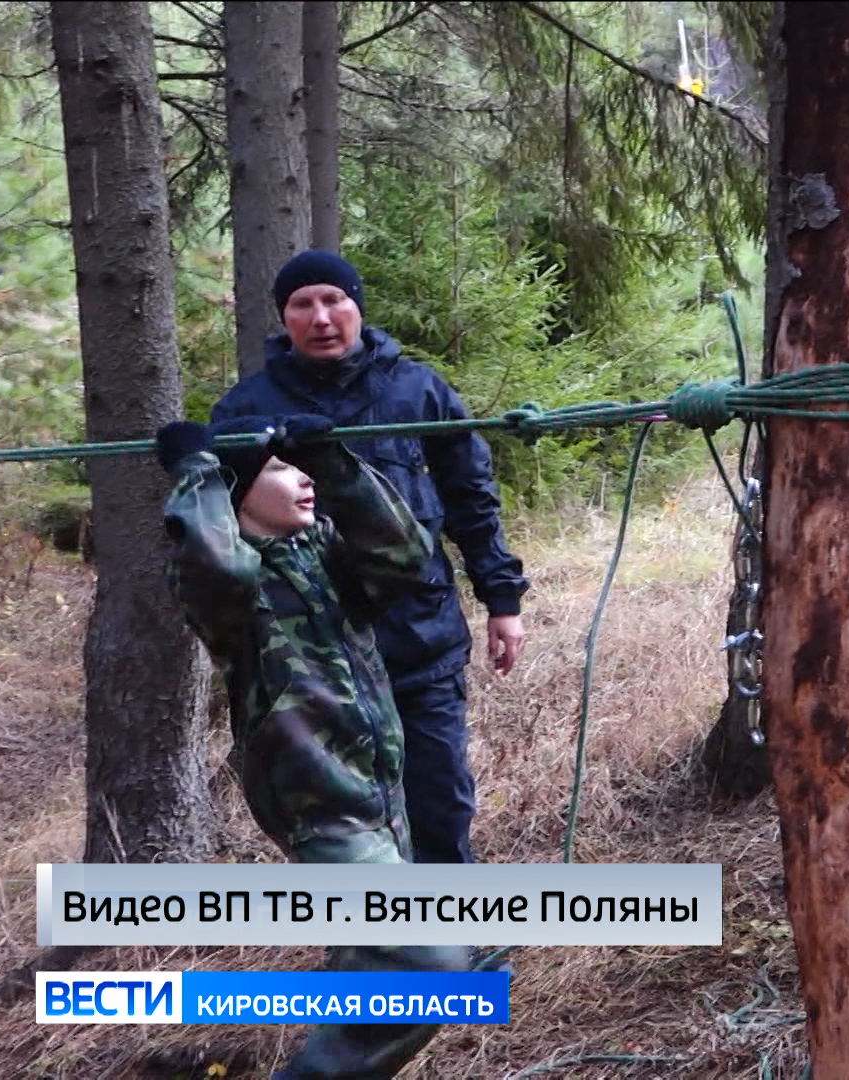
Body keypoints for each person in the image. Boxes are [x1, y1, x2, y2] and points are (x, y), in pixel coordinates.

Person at [156, 413, 471, 1079]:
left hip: (379, 791)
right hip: (319, 801)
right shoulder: (227, 587)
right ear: (238, 492)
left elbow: (406, 557)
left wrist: (334, 462)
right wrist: (200, 471)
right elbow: (215, 559)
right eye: (281, 469)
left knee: (383, 965)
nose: (302, 481)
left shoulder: (319, 551)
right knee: (431, 963)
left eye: (301, 470)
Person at [213, 250, 529, 866]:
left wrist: (502, 600)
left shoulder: (419, 391)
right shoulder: (246, 410)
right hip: (314, 663)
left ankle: (448, 923)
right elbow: (221, 532)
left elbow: (471, 498)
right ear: (284, 317)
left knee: (440, 807)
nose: (321, 317)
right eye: (302, 305)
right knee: (346, 832)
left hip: (420, 641)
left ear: (357, 307)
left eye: (334, 300)